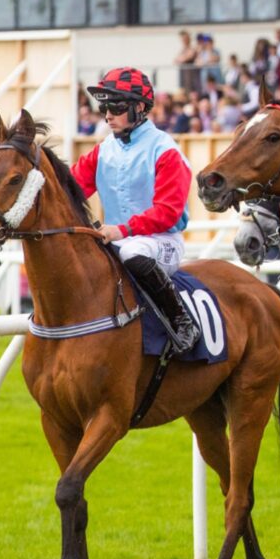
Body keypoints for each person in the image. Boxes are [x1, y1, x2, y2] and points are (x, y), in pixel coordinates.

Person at [73, 68, 199, 350]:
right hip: (117, 238)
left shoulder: (166, 150)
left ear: (139, 107)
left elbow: (168, 211)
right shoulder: (103, 149)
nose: (107, 115)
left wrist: (123, 229)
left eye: (115, 107)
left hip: (160, 241)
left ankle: (181, 320)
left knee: (132, 252)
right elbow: (71, 189)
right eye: (104, 107)